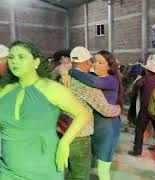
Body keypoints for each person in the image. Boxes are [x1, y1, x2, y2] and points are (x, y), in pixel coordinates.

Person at [0, 41, 91, 180]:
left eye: (21, 57)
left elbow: (82, 114)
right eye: (11, 57)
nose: (15, 62)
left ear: (36, 62)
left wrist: (64, 142)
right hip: (7, 170)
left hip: (43, 168)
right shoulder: (4, 89)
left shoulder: (52, 88)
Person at [58, 46, 121, 180]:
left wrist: (67, 70)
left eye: (99, 62)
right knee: (80, 174)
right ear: (87, 62)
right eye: (94, 61)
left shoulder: (63, 78)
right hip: (81, 133)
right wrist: (118, 108)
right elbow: (106, 109)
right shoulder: (86, 82)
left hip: (95, 130)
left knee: (98, 170)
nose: (94, 64)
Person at [128, 61, 155, 156]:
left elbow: (136, 86)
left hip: (145, 109)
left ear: (146, 70)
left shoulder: (144, 79)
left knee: (139, 130)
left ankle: (137, 151)